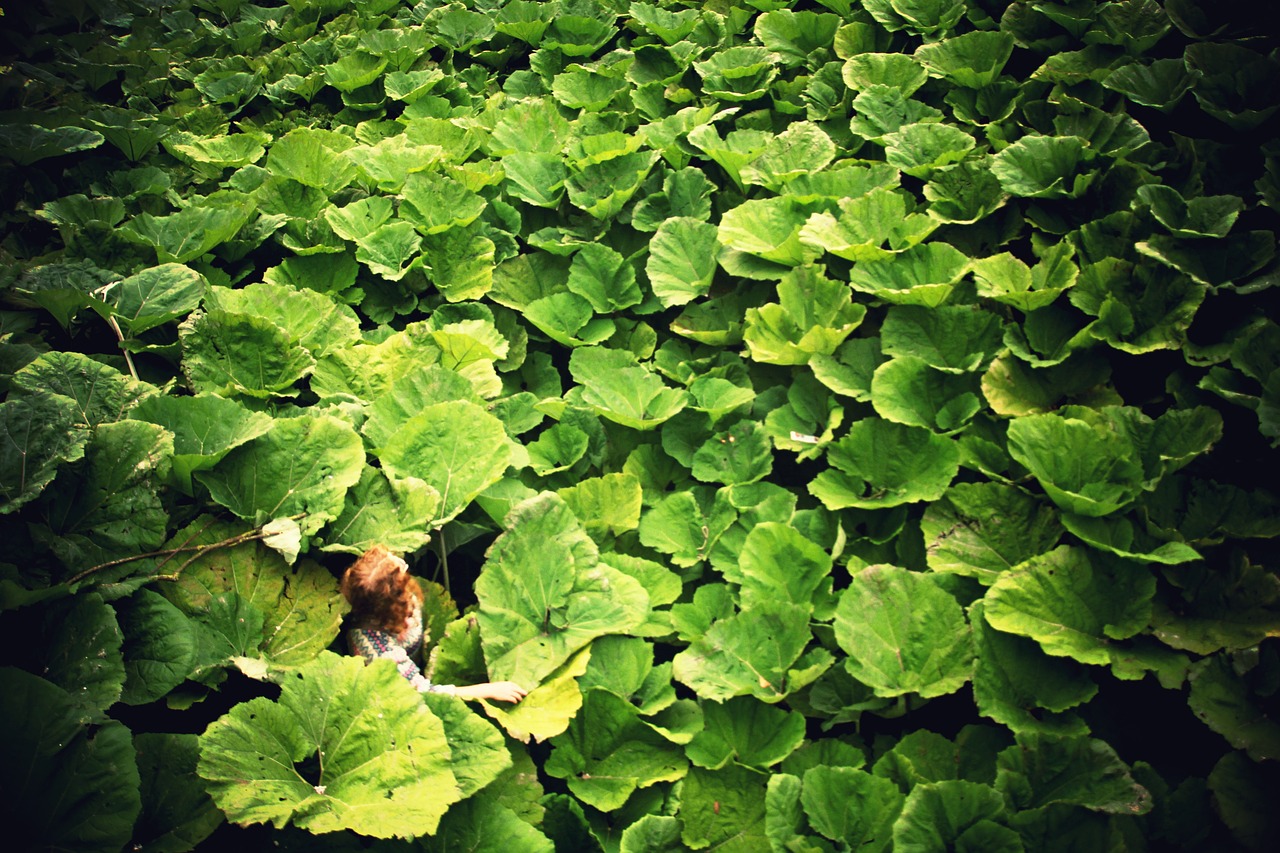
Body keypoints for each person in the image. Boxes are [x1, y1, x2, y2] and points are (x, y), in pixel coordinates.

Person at [340, 544, 527, 703]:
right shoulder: (377, 651)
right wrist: (488, 690)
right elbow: (422, 694)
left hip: (416, 660)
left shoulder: (395, 593)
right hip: (393, 696)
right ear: (384, 613)